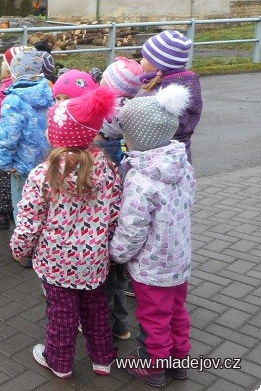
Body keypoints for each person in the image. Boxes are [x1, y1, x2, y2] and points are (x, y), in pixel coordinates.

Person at [10, 86, 122, 379]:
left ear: (57, 135)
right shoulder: (108, 170)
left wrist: (20, 249)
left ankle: (59, 361)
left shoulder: (44, 174)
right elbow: (113, 215)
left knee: (61, 313)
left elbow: (29, 219)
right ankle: (103, 359)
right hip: (94, 260)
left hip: (55, 261)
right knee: (95, 309)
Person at [110, 84, 196, 387]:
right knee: (176, 311)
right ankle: (179, 361)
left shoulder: (141, 178)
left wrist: (117, 254)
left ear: (137, 137)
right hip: (179, 259)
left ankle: (153, 366)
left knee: (154, 317)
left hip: (152, 266)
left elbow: (132, 227)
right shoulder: (181, 164)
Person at [95, 55, 145, 342]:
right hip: (125, 222)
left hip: (107, 225)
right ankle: (121, 325)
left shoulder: (109, 115)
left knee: (107, 278)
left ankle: (102, 324)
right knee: (119, 275)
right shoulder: (133, 117)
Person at [0, 49, 54, 224]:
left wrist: (5, 164)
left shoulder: (13, 101)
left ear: (14, 73)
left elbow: (8, 138)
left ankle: (23, 248)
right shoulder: (49, 93)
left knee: (23, 210)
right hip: (47, 163)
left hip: (22, 166)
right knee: (45, 210)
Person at [137, 30, 202, 165]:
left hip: (158, 158)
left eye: (144, 58)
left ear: (157, 65)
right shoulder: (189, 82)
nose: (141, 61)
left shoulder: (160, 92)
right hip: (182, 153)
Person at [0, 45, 24, 229]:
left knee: (5, 180)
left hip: (8, 145)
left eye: (3, 63)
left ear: (10, 67)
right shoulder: (42, 88)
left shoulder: (6, 90)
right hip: (28, 150)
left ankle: (3, 211)